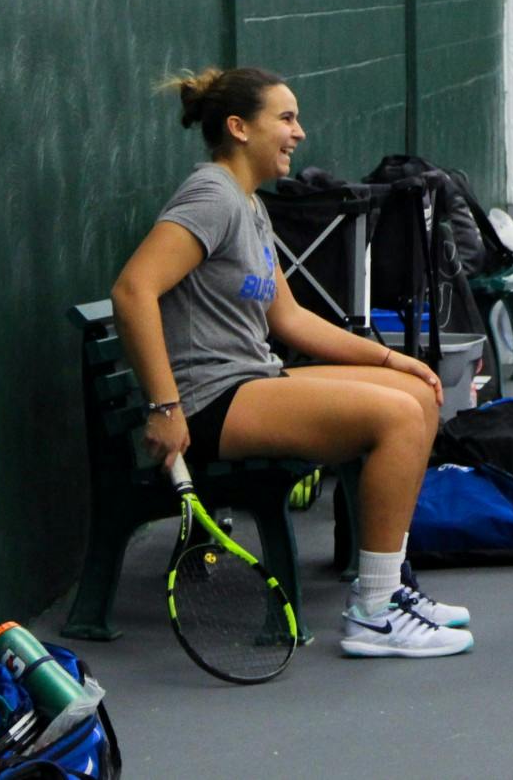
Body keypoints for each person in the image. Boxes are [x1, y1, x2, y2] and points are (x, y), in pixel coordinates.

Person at [111, 68, 474, 659]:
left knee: (415, 394)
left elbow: (291, 319)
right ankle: (374, 615)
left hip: (250, 381)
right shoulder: (210, 197)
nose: (298, 132)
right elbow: (133, 289)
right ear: (239, 128)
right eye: (285, 118)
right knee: (397, 420)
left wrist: (393, 358)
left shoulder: (248, 204)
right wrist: (164, 407)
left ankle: (390, 583)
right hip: (209, 402)